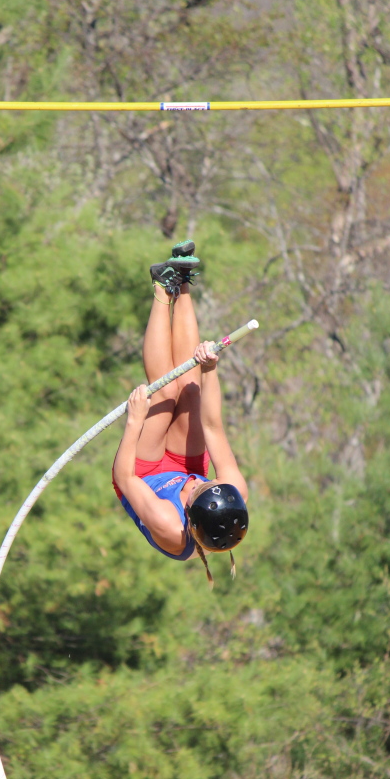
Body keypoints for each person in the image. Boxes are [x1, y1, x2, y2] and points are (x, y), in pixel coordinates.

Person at [112, 241, 249, 587]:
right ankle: (182, 280)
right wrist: (210, 368)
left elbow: (124, 478)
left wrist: (135, 420)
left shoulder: (170, 524)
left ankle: (161, 286)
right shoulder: (233, 492)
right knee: (189, 390)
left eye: (194, 492)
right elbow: (214, 427)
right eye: (207, 484)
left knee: (166, 390)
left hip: (142, 476)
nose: (196, 483)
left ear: (189, 515)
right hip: (178, 461)